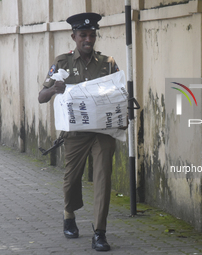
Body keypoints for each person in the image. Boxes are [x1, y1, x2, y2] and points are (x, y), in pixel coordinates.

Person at [38, 12, 121, 252]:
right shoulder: (62, 63)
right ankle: (69, 214)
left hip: (103, 133)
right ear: (74, 36)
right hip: (75, 134)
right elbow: (41, 97)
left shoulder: (108, 63)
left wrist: (123, 116)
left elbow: (119, 95)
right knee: (71, 179)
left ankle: (100, 232)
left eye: (91, 35)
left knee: (103, 177)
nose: (88, 39)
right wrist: (54, 88)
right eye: (83, 35)